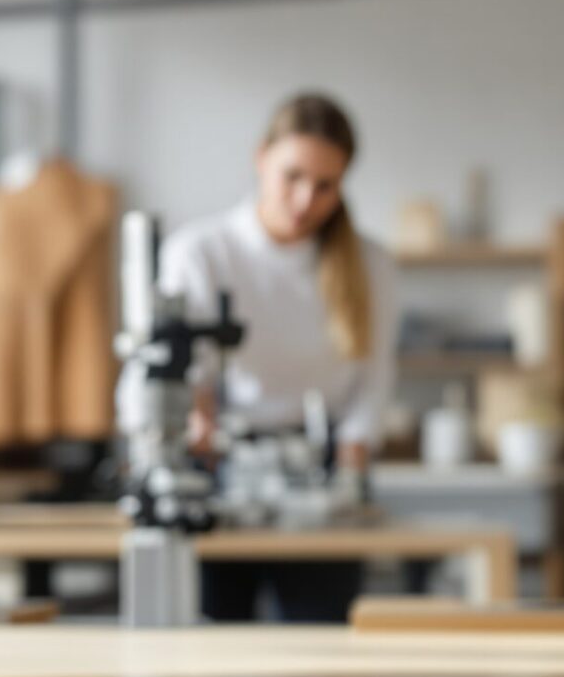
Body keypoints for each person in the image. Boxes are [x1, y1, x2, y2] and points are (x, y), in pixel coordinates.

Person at [157, 92, 397, 623]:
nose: (306, 199)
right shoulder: (200, 251)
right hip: (220, 471)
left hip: (326, 472)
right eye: (292, 176)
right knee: (210, 645)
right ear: (261, 157)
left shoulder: (372, 266)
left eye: (326, 185)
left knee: (324, 651)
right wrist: (198, 423)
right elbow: (184, 372)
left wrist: (349, 484)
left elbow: (372, 384)